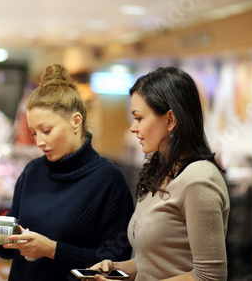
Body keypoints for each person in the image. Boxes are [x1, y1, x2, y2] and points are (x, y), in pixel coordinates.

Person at [0, 64, 134, 281]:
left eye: (47, 131)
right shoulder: (32, 172)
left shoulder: (108, 180)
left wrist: (52, 249)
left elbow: (116, 261)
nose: (40, 142)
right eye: (34, 134)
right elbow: (11, 248)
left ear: (76, 121)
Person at [89, 66, 230, 280]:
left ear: (171, 120)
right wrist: (117, 269)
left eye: (139, 118)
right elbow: (156, 262)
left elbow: (209, 276)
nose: (133, 128)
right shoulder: (160, 169)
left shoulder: (198, 180)